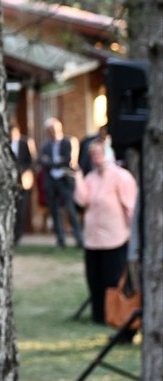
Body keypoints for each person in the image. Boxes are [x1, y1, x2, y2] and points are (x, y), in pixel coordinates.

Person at [73, 138, 138, 326]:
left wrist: (132, 236)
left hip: (115, 238)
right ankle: (98, 315)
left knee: (112, 280)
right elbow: (82, 200)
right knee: (94, 279)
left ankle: (113, 315)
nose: (95, 158)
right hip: (93, 240)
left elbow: (130, 208)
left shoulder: (121, 177)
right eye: (92, 155)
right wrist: (77, 177)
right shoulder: (91, 178)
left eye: (99, 153)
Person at [38, 117, 84, 248]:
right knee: (54, 211)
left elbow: (69, 160)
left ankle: (79, 239)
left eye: (54, 129)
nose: (53, 132)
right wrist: (57, 161)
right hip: (51, 182)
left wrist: (51, 162)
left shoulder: (69, 141)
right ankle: (60, 240)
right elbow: (42, 162)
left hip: (65, 180)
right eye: (50, 130)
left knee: (70, 209)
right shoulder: (45, 145)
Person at [10, 126, 36, 244]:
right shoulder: (6, 144)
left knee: (21, 208)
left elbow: (32, 161)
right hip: (11, 182)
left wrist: (24, 172)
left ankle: (18, 236)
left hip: (23, 181)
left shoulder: (25, 143)